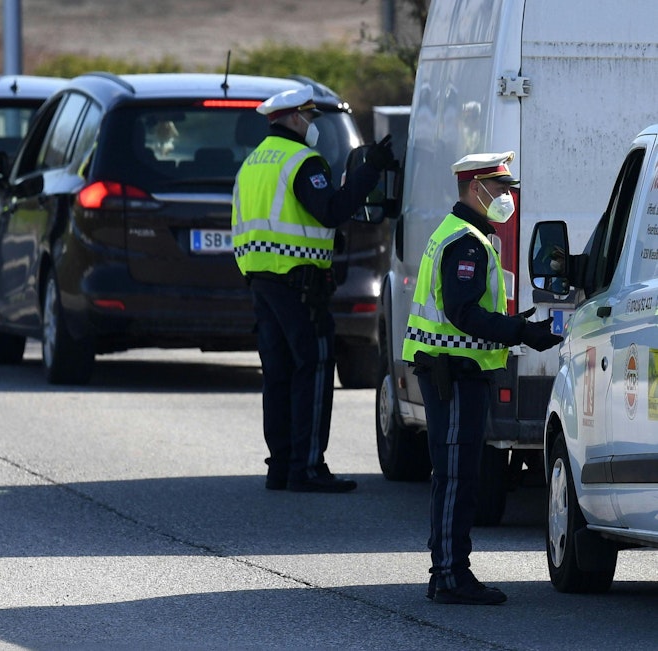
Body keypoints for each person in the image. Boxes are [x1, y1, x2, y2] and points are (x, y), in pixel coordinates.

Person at [401, 152, 562, 605]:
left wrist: (516, 327)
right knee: (455, 477)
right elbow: (463, 312)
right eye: (501, 187)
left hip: (453, 375)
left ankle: (447, 571)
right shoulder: (466, 242)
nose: (508, 196)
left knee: (455, 475)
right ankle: (451, 575)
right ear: (477, 189)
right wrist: (521, 332)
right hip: (453, 377)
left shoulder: (462, 235)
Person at [232, 85, 395, 493]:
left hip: (262, 284)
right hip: (300, 285)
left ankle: (282, 466)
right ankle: (307, 468)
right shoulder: (303, 161)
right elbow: (333, 211)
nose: (313, 125)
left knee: (279, 375)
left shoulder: (252, 163)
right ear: (292, 119)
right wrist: (370, 169)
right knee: (315, 369)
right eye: (309, 117)